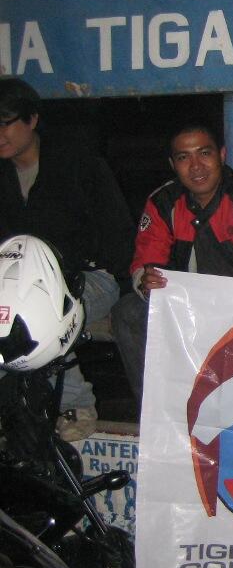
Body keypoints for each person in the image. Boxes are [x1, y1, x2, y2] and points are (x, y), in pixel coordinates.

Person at [110, 122, 233, 403]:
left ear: (221, 155)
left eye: (204, 153)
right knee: (128, 311)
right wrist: (144, 281)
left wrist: (211, 307)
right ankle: (157, 408)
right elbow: (145, 260)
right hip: (184, 308)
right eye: (184, 157)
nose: (196, 166)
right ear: (173, 164)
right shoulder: (162, 201)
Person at [0, 77, 135, 439]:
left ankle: (75, 403)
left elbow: (118, 230)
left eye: (5, 123)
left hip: (89, 278)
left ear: (31, 119)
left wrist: (116, 277)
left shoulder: (77, 164)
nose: (0, 134)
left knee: (40, 311)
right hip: (16, 285)